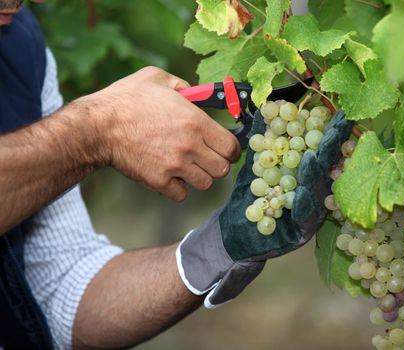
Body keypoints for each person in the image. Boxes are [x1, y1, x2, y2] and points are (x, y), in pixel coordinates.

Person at [0, 2, 353, 349]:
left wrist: (222, 244)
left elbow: (63, 294)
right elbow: (94, 131)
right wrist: (96, 131)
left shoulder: (21, 46)